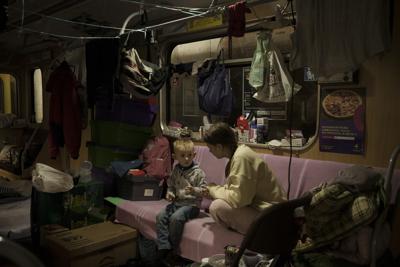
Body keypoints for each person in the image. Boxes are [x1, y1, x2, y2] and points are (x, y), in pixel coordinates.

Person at [202, 122, 286, 234]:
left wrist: (213, 189)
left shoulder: (241, 158)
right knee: (219, 201)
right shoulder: (239, 154)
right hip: (265, 211)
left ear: (219, 147)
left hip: (271, 217)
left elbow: (238, 199)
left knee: (217, 207)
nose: (210, 151)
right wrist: (213, 191)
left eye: (210, 148)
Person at [156, 139, 207, 259]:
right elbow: (171, 186)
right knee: (160, 216)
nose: (186, 159)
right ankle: (164, 246)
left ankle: (174, 249)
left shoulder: (198, 173)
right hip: (177, 203)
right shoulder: (175, 171)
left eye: (189, 155)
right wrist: (170, 194)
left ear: (194, 155)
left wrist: (194, 190)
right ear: (175, 157)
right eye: (183, 156)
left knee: (175, 218)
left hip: (192, 205)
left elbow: (205, 191)